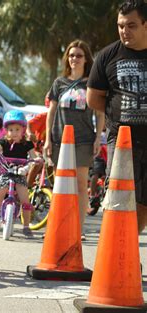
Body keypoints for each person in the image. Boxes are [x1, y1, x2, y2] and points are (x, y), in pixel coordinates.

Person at [87, 0, 147, 234]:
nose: (124, 31)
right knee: (118, 195)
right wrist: (121, 114)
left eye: (131, 25)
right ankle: (118, 248)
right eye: (121, 25)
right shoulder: (108, 55)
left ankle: (128, 245)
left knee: (144, 201)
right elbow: (94, 99)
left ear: (145, 25)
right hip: (122, 139)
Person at [44, 39, 104, 241]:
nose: (74, 59)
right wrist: (47, 140)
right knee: (59, 185)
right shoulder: (58, 83)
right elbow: (51, 113)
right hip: (59, 140)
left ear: (86, 59)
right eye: (71, 55)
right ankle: (57, 227)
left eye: (79, 55)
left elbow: (100, 114)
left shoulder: (91, 83)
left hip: (83, 141)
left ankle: (78, 229)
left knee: (80, 185)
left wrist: (98, 138)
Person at [0, 110, 39, 239]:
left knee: (25, 200)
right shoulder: (4, 142)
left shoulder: (27, 144)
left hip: (20, 173)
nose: (13, 133)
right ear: (6, 130)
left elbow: (33, 156)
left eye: (16, 129)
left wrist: (36, 160)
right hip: (5, 172)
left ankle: (26, 227)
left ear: (23, 129)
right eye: (10, 130)